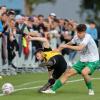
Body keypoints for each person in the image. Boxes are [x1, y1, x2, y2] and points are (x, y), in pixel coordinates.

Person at [41, 24, 100, 95]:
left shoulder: (88, 37)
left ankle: (90, 90)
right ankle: (52, 90)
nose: (78, 34)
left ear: (84, 32)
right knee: (67, 73)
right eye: (77, 32)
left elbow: (80, 48)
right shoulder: (76, 37)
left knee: (84, 72)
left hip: (93, 60)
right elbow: (70, 43)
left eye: (80, 33)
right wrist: (60, 48)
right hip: (82, 60)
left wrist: (66, 46)